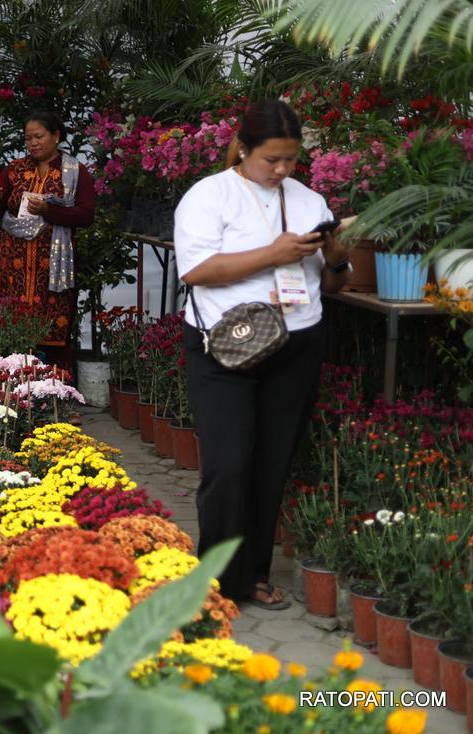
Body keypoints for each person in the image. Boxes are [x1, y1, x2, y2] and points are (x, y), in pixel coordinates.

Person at [173, 100, 351, 609]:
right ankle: (216, 582)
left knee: (271, 465)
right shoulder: (211, 196)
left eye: (291, 160)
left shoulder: (309, 201)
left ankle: (252, 575)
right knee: (228, 466)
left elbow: (332, 286)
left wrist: (336, 257)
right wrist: (274, 254)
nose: (280, 170)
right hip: (227, 348)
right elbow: (197, 270)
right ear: (243, 149)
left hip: (296, 345)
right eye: (271, 159)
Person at [0, 111, 95, 372]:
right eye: (28, 138)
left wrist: (49, 211)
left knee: (53, 323)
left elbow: (86, 215)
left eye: (38, 136)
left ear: (56, 136)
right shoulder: (14, 169)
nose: (33, 143)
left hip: (52, 269)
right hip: (15, 265)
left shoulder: (75, 171)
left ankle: (54, 387)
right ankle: (13, 385)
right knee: (13, 321)